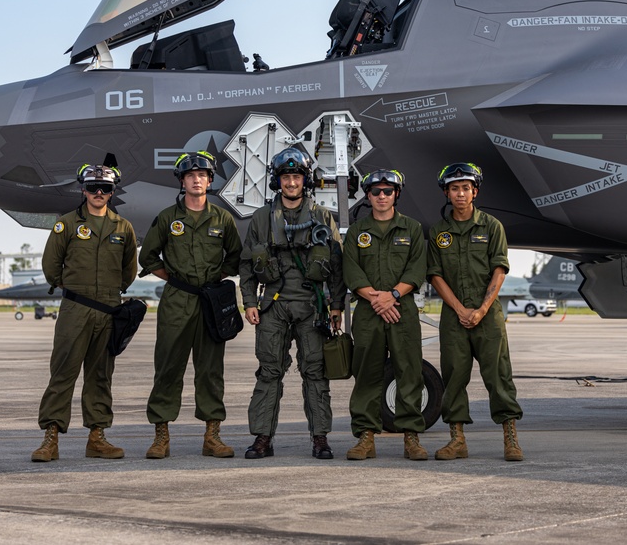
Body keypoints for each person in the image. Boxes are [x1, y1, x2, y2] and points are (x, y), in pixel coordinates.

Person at [239, 148, 346, 460]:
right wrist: (248, 302)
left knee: (315, 373)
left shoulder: (322, 217)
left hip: (312, 307)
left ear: (305, 180)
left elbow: (337, 265)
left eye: (296, 176)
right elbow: (247, 265)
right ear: (278, 181)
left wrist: (336, 304)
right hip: (272, 306)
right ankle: (262, 438)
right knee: (269, 372)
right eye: (286, 177)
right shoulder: (261, 219)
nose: (291, 182)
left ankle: (320, 438)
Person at [139, 151, 242, 459]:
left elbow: (234, 257)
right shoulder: (168, 218)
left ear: (210, 181)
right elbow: (148, 257)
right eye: (190, 175)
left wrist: (216, 278)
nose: (196, 180)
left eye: (202, 175)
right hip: (177, 302)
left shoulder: (222, 218)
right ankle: (161, 436)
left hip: (210, 302)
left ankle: (212, 436)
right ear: (182, 182)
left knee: (211, 370)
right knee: (168, 367)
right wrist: (173, 277)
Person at [31, 164, 137, 462]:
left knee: (101, 376)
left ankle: (97, 437)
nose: (99, 193)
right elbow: (51, 266)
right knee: (63, 373)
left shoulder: (123, 227)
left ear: (113, 191)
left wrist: (108, 292)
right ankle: (50, 438)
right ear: (83, 190)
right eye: (93, 188)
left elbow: (129, 271)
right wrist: (73, 286)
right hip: (75, 308)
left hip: (109, 310)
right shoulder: (66, 224)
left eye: (104, 188)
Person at [426, 162, 524, 462]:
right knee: (454, 376)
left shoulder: (492, 227)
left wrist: (481, 310)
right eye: (454, 188)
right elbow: (435, 275)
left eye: (465, 188)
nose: (460, 193)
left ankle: (510, 438)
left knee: (498, 376)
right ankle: (457, 440)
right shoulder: (439, 232)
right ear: (446, 193)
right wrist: (459, 309)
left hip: (488, 315)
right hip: (454, 317)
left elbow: (499, 270)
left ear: (475, 191)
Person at [342, 169, 428, 461]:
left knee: (409, 372)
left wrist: (390, 297)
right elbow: (351, 270)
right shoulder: (357, 232)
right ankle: (366, 437)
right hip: (368, 312)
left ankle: (411, 437)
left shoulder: (412, 229)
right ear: (367, 195)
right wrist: (376, 299)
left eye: (387, 191)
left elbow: (417, 269)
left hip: (401, 309)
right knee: (366, 374)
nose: (381, 196)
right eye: (376, 191)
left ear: (396, 195)